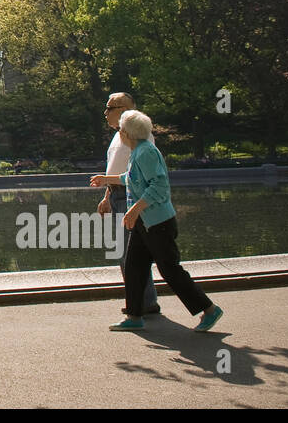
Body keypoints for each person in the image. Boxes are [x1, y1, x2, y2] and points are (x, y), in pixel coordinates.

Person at [93, 110, 224, 333]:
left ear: (129, 133)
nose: (120, 132)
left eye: (122, 129)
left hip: (159, 224)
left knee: (170, 270)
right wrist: (107, 179)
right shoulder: (137, 151)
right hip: (145, 224)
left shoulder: (146, 153)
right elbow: (130, 178)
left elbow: (159, 187)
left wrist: (135, 208)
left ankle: (210, 310)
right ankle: (134, 315)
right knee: (134, 267)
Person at [89, 92, 159, 316]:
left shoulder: (139, 135)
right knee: (128, 252)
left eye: (109, 108)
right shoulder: (119, 135)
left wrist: (134, 203)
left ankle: (142, 303)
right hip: (118, 195)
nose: (105, 112)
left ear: (123, 109)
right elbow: (117, 167)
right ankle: (143, 302)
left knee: (131, 253)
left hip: (131, 196)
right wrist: (107, 197)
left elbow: (138, 174)